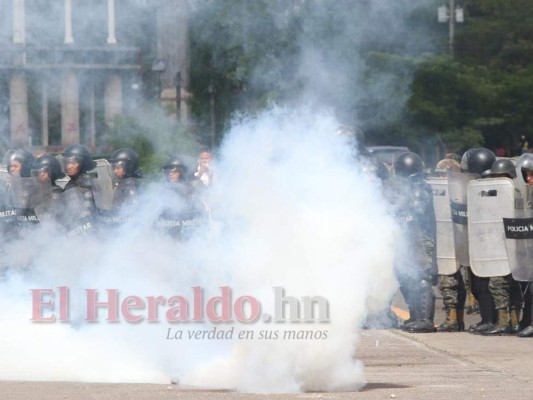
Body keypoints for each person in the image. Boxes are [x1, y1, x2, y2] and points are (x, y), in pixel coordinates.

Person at [392, 152, 437, 333]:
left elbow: (416, 211)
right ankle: (415, 315)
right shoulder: (406, 188)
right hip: (407, 238)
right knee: (405, 276)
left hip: (420, 238)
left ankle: (425, 319)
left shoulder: (419, 187)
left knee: (420, 277)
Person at [432, 158, 467, 332]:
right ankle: (457, 319)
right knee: (455, 282)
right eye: (440, 175)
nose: (442, 179)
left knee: (448, 281)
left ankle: (453, 320)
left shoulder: (459, 190)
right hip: (454, 239)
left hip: (454, 240)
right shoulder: (461, 189)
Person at [61, 144, 97, 235]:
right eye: (67, 163)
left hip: (86, 237)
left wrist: (70, 234)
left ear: (82, 164)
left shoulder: (86, 185)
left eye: (73, 163)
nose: (69, 166)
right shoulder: (70, 184)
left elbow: (88, 219)